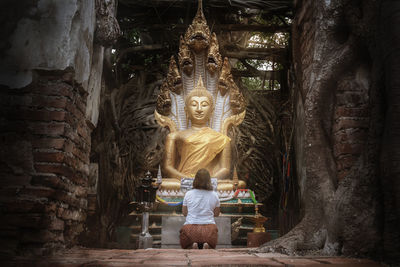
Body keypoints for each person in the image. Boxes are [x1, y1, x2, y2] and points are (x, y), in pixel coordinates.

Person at [180, 168, 220, 249]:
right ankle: (208, 245)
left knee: (185, 241)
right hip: (209, 231)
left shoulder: (188, 194)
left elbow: (184, 213)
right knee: (212, 238)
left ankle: (192, 245)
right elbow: (216, 214)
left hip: (190, 230)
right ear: (209, 180)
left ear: (195, 180)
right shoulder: (215, 195)